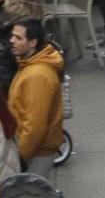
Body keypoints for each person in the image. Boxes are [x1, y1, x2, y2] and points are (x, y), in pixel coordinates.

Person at [8, 18, 65, 175]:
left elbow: (35, 126)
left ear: (33, 42)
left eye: (18, 38)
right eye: (12, 36)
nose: (11, 41)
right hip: (31, 149)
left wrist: (20, 156)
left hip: (35, 153)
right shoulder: (28, 65)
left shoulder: (38, 76)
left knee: (28, 196)